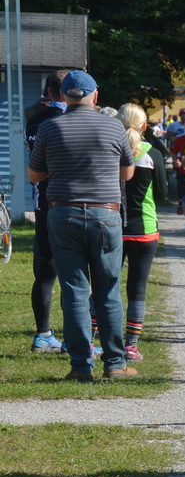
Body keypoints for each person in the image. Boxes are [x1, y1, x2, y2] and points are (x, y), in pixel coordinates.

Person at [26, 70, 136, 381]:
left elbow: (35, 176)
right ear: (95, 96)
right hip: (106, 213)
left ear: (62, 96)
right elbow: (127, 174)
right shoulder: (114, 127)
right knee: (108, 289)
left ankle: (80, 365)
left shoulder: (49, 128)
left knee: (74, 288)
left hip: (63, 213)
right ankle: (115, 363)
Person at [117, 104, 170, 362]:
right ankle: (131, 346)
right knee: (137, 289)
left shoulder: (110, 150)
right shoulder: (152, 154)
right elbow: (162, 193)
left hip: (112, 226)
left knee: (105, 286)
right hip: (144, 229)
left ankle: (91, 340)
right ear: (144, 126)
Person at [24, 70, 69, 354]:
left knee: (44, 272)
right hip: (71, 202)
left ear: (48, 92)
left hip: (43, 202)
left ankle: (43, 334)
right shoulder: (71, 121)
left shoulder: (35, 121)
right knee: (76, 274)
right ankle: (79, 338)